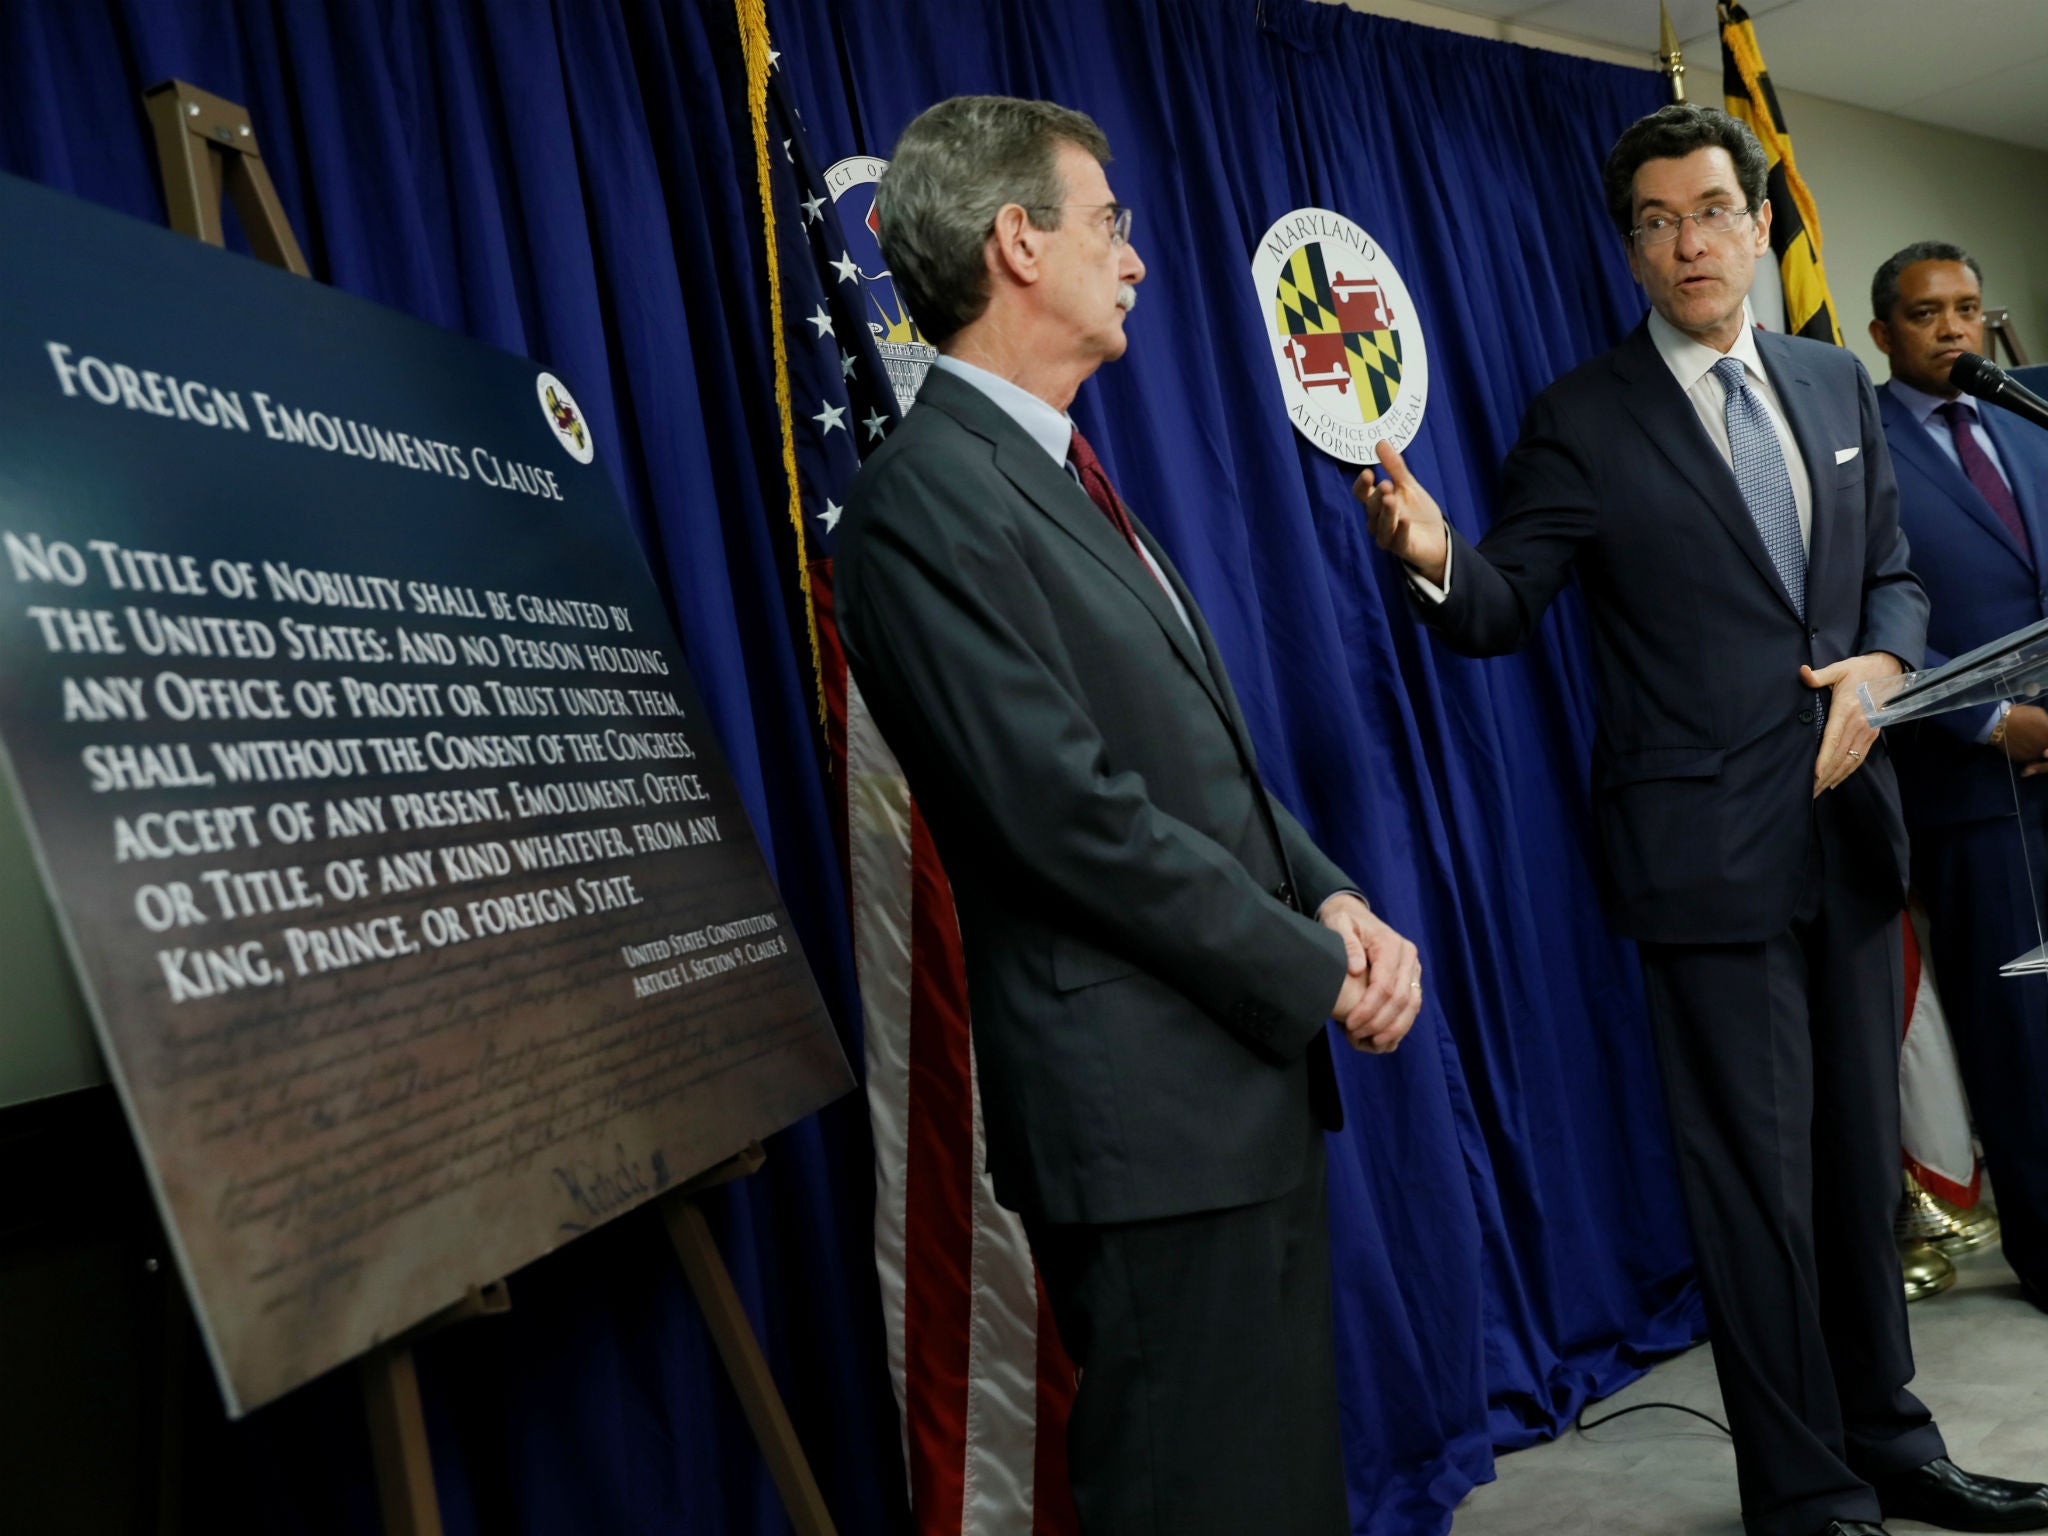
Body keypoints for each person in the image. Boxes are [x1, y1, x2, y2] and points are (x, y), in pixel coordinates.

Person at [1358, 103, 2048, 1536]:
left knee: (1858, 1179)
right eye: (1659, 221)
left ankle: (1894, 1443)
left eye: (1713, 211)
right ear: (1630, 250)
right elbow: (1500, 607)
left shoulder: (1828, 380)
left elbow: (1897, 578)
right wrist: (1431, 555)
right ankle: (1806, 1496)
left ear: (1757, 225)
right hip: (1702, 863)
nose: (1690, 241)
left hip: (1854, 838)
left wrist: (1887, 660)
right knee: (1758, 1200)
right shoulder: (1584, 415)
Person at [835, 95, 1422, 1534]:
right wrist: (1312, 965)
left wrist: (1332, 893)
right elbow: (1068, 816)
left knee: (1274, 1493)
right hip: (1143, 1116)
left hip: (1228, 1091)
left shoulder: (1068, 476)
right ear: (1017, 242)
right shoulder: (924, 504)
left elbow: (1201, 765)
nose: (1137, 256)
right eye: (1109, 223)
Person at [1869, 240, 2048, 1314]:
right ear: (1882, 330)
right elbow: (1871, 618)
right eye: (1926, 313)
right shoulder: (1863, 450)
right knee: (2018, 1040)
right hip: (1973, 795)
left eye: (1968, 308)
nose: (1952, 328)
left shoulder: (2028, 420)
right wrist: (1995, 721)